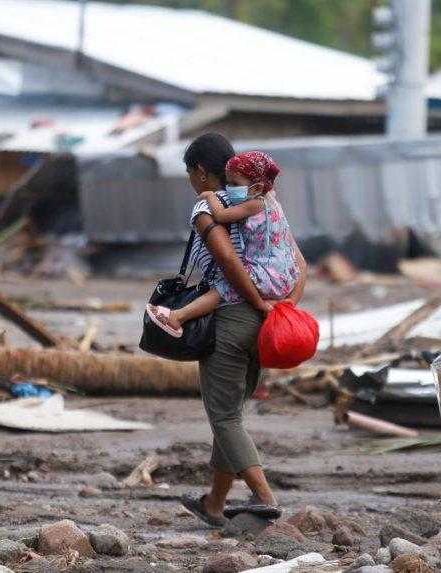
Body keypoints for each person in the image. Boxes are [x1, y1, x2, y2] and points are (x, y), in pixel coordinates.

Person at [175, 133, 307, 526]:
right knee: (231, 412)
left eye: (188, 172)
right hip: (265, 322)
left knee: (224, 416)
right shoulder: (266, 202)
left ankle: (264, 497)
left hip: (233, 318)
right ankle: (215, 503)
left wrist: (254, 303)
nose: (190, 180)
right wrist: (280, 309)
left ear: (200, 171)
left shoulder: (206, 206)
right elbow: (299, 263)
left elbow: (229, 261)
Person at [146, 150, 302, 336]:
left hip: (266, 275)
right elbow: (301, 262)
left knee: (223, 287)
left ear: (257, 189)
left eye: (234, 184)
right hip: (283, 275)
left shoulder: (255, 204)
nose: (228, 188)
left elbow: (220, 217)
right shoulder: (272, 202)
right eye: (227, 183)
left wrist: (210, 196)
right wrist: (290, 301)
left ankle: (178, 316)